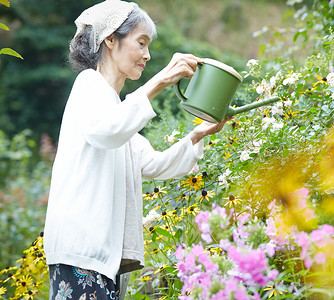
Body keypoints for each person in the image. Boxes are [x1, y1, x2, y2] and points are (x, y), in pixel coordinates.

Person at [43, 1, 229, 299]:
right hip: (81, 253)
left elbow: (156, 164)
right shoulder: (88, 85)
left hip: (101, 258)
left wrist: (198, 134)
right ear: (111, 39)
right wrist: (162, 80)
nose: (147, 55)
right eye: (141, 43)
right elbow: (107, 131)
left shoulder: (116, 107)